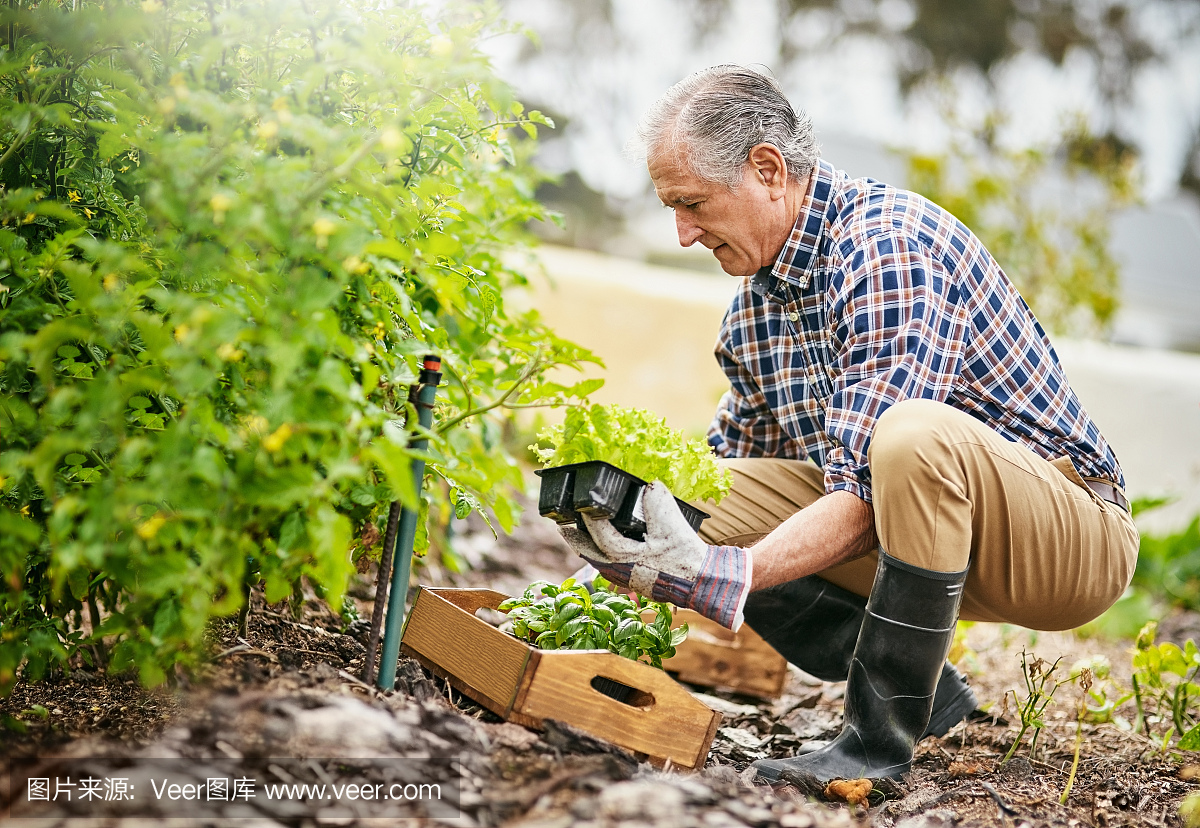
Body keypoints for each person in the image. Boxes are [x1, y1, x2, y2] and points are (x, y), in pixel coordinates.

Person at [559, 64, 1139, 784]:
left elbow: (870, 490)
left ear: (768, 170)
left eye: (692, 203)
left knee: (911, 435)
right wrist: (593, 572)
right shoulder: (755, 307)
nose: (681, 233)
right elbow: (725, 488)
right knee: (688, 487)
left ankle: (875, 746)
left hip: (1065, 543)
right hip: (925, 539)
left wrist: (728, 575)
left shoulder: (886, 247)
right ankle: (930, 700)